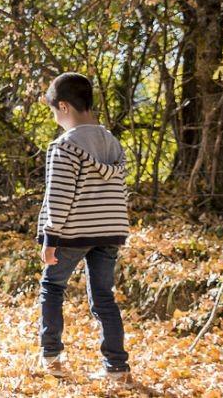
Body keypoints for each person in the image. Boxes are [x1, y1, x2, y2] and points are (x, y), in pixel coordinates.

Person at [36, 72, 132, 382]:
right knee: (104, 297)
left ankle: (51, 356)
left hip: (73, 231)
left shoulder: (65, 145)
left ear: (63, 107)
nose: (55, 119)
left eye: (54, 112)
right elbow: (120, 189)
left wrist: (50, 237)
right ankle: (117, 368)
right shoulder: (111, 141)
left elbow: (59, 195)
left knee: (52, 287)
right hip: (109, 230)